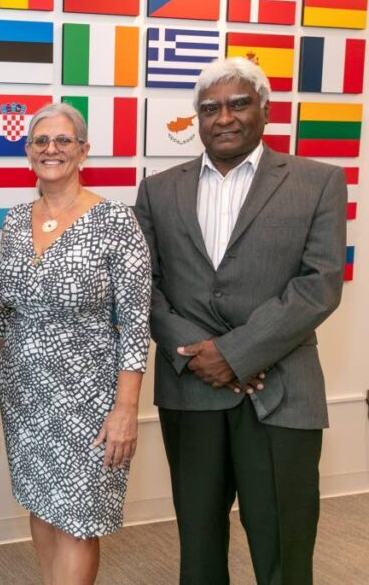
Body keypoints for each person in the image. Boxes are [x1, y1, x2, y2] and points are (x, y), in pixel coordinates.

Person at [134, 57, 346, 585]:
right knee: (199, 545)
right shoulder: (157, 190)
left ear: (265, 111)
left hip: (282, 392)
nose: (223, 117)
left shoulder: (318, 181)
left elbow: (318, 284)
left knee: (283, 545)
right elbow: (144, 287)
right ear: (197, 119)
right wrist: (202, 353)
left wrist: (235, 354)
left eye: (238, 103)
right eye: (209, 108)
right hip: (190, 391)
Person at [0, 102, 151, 585]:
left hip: (89, 397)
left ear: (83, 150)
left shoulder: (117, 221)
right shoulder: (14, 220)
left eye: (63, 140)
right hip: (24, 391)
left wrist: (125, 409)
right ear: (28, 153)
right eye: (41, 141)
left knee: (78, 517)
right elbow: (5, 306)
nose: (51, 149)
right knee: (42, 502)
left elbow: (136, 325)